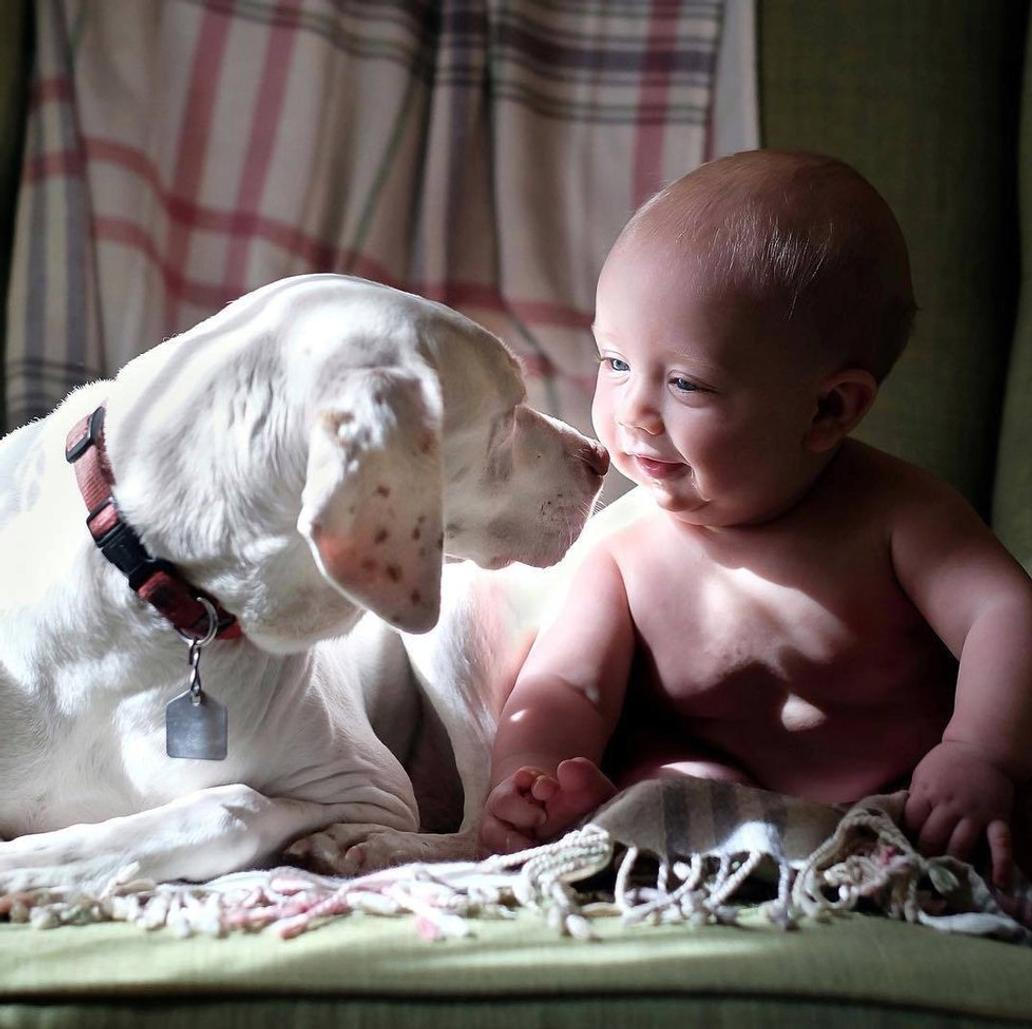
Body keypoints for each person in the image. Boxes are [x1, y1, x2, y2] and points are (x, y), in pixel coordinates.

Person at [479, 150, 1032, 886]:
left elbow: (1006, 611)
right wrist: (529, 775)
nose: (634, 410)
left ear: (829, 408)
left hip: (909, 805)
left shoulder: (897, 516)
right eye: (614, 362)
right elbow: (565, 688)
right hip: (709, 811)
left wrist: (981, 751)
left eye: (686, 382)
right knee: (661, 785)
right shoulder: (624, 554)